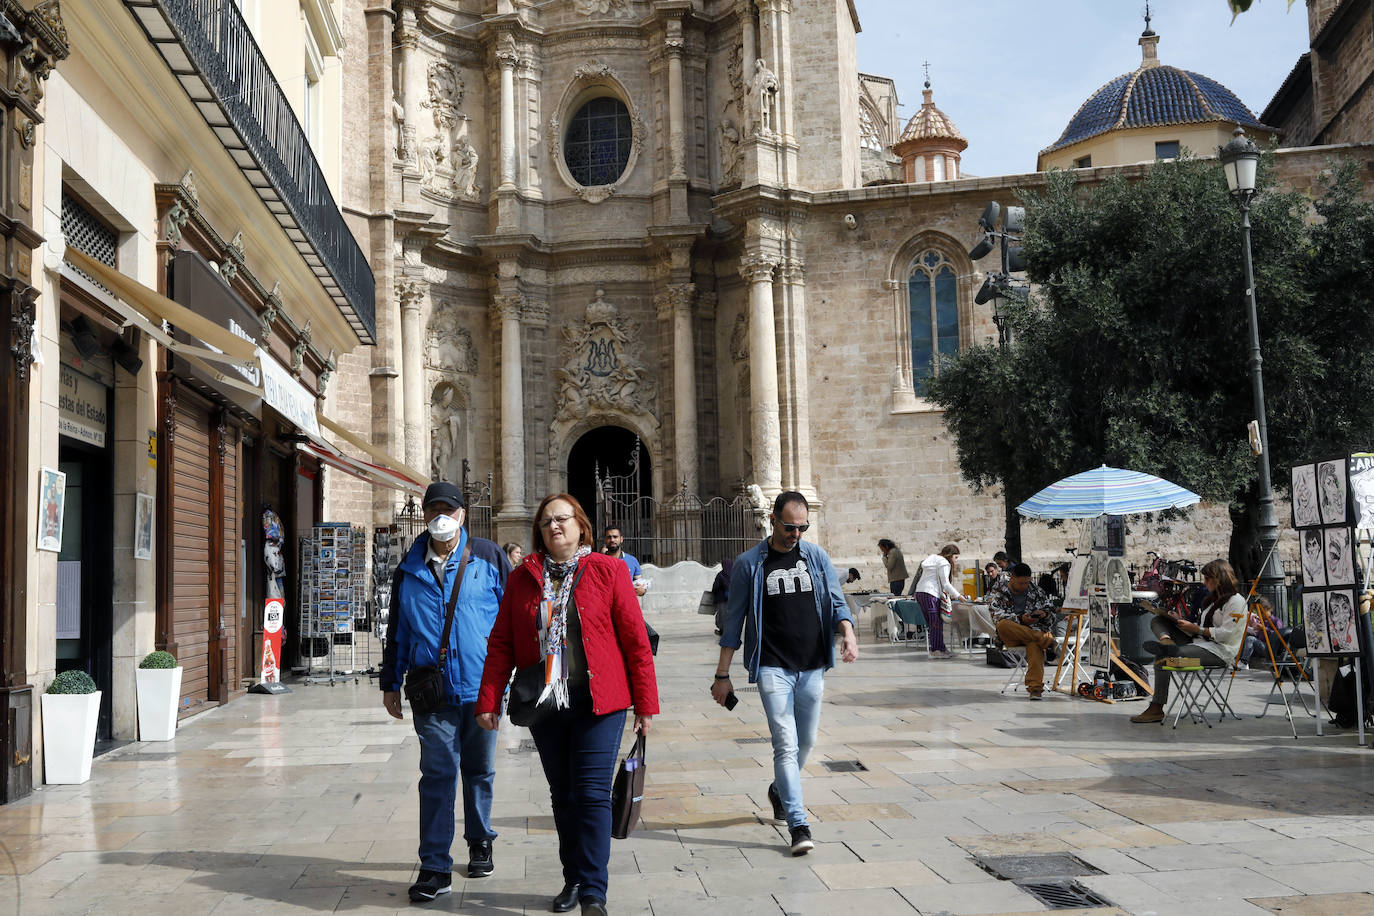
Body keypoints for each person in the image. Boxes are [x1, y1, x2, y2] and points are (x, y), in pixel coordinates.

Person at [476, 494, 658, 916]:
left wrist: (646, 704)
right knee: (564, 795)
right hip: (546, 702)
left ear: (581, 526)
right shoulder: (523, 577)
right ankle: (573, 876)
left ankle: (594, 891)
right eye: (546, 522)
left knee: (592, 794)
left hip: (601, 700)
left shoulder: (607, 570)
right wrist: (489, 699)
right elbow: (502, 641)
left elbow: (635, 641)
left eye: (562, 519)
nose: (554, 526)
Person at [380, 481, 512, 903]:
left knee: (478, 769)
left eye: (449, 510)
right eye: (434, 509)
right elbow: (397, 630)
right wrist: (389, 682)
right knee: (436, 774)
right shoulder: (409, 566)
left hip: (481, 686)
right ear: (424, 515)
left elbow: (512, 621)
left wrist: (522, 675)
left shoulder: (489, 558)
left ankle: (480, 840)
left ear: (462, 515)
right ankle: (435, 865)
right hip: (431, 691)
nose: (442, 517)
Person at [712, 491, 859, 856]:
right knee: (785, 742)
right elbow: (735, 622)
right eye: (790, 526)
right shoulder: (750, 564)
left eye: (802, 527)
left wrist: (849, 634)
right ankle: (798, 823)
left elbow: (837, 599)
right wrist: (722, 675)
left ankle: (779, 790)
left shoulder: (816, 556)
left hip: (812, 665)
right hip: (772, 666)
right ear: (773, 519)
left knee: (806, 742)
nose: (796, 534)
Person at [1130, 559, 1247, 724]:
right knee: (1159, 621)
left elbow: (1227, 635)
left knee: (1164, 659)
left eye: (1207, 579)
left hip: (1219, 652)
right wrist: (1179, 621)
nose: (1204, 583)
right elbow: (1201, 628)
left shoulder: (1236, 602)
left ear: (1219, 579)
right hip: (1198, 642)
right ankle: (1167, 642)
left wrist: (1196, 629)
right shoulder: (1213, 600)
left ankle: (1157, 707)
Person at [989, 563, 1059, 699]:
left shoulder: (1036, 591)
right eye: (1020, 583)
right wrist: (1020, 619)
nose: (1024, 586)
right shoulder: (998, 590)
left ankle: (1035, 689)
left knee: (1034, 643)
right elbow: (996, 615)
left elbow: (1051, 611)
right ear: (1012, 578)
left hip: (1033, 631)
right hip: (1011, 634)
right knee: (1003, 625)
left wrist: (1044, 614)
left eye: (1027, 582)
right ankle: (1046, 641)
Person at [912, 544, 962, 659]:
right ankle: (935, 650)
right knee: (935, 623)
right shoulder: (944, 562)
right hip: (931, 593)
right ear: (950, 555)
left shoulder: (933, 560)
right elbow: (945, 583)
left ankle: (940, 648)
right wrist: (958, 596)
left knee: (934, 623)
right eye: (956, 557)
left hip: (920, 592)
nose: (956, 560)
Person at [603, 525, 648, 597]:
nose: (612, 540)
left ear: (621, 539)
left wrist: (642, 590)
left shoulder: (632, 560)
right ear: (605, 540)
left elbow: (640, 583)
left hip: (626, 605)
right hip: (605, 605)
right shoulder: (598, 561)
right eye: (609, 537)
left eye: (615, 537)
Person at [712, 556, 735, 636]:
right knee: (731, 615)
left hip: (722, 599)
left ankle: (723, 631)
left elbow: (715, 586)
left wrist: (713, 593)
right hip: (733, 599)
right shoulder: (735, 574)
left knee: (721, 615)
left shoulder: (721, 575)